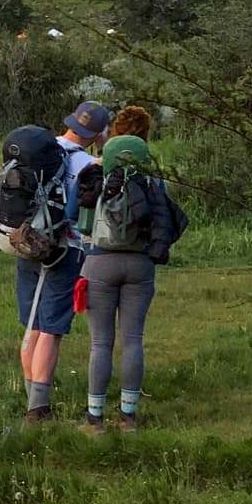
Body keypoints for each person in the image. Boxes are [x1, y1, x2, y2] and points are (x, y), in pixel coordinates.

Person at [77, 122, 182, 434]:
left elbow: (77, 219)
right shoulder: (154, 184)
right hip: (140, 265)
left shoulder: (96, 179)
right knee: (133, 339)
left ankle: (94, 419)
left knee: (101, 343)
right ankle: (128, 417)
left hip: (99, 265)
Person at [17, 99, 110, 426]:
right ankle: (38, 409)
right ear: (97, 133)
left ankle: (32, 400)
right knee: (50, 329)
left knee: (31, 325)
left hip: (26, 242)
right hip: (63, 248)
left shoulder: (35, 150)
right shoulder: (89, 163)